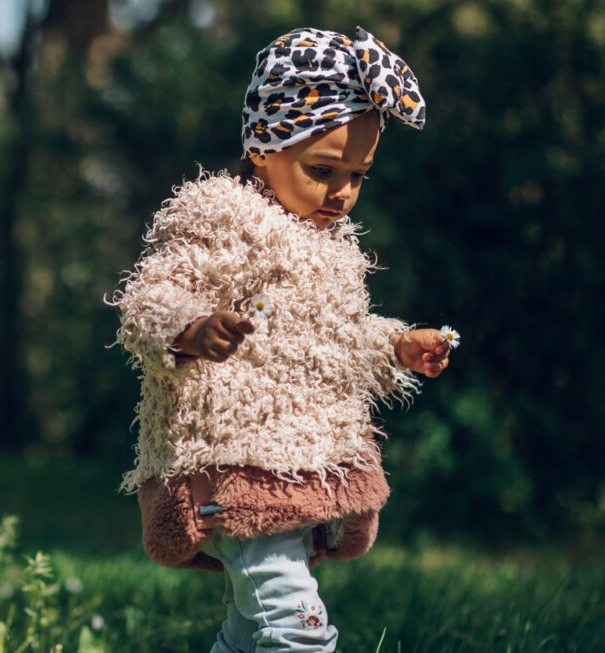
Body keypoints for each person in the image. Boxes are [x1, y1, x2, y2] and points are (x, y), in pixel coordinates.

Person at [110, 27, 451, 651]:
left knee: (252, 631)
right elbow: (146, 302)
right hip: (234, 466)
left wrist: (398, 346)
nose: (343, 191)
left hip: (301, 472)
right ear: (264, 145)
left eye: (359, 174)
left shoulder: (333, 250)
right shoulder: (218, 221)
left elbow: (335, 343)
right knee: (298, 630)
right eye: (323, 169)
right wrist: (191, 328)